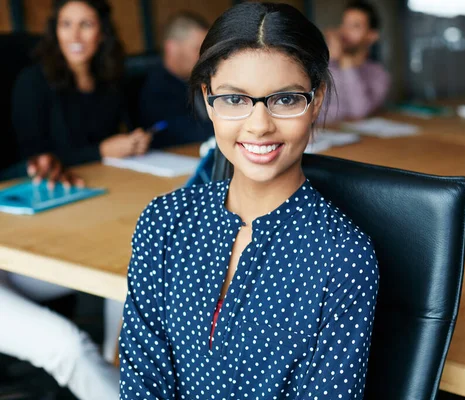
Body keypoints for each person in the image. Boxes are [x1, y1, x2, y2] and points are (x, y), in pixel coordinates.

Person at [119, 2, 379, 399]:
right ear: (208, 99)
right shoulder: (163, 221)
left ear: (317, 99)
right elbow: (141, 384)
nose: (259, 126)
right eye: (235, 99)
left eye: (286, 99)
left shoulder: (343, 257)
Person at [0, 153, 119, 400]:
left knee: (126, 264)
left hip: (7, 257)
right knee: (69, 348)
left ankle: (113, 365)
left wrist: (32, 169)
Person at [11, 0, 151, 167]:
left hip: (112, 176)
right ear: (55, 31)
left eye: (86, 24)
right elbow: (35, 159)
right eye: (66, 24)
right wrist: (100, 152)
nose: (74, 36)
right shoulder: (32, 82)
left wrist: (136, 141)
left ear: (102, 33)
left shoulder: (112, 80)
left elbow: (129, 129)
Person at [138, 11, 214, 149]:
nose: (205, 57)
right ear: (172, 48)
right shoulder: (155, 88)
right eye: (197, 49)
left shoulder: (206, 78)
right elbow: (180, 134)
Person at [325, 1, 390, 122]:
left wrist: (348, 65)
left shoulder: (378, 74)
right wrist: (328, 59)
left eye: (355, 26)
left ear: (372, 36)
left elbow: (359, 111)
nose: (345, 31)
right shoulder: (325, 66)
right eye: (344, 24)